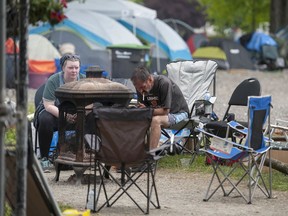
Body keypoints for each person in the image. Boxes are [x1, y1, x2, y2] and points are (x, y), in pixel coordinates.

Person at [37, 53, 85, 160]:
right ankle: (44, 157)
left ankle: (88, 156)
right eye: (70, 67)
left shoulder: (84, 80)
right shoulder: (53, 80)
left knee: (96, 118)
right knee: (45, 120)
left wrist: (81, 114)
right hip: (56, 113)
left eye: (76, 67)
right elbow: (48, 105)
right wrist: (64, 116)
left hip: (79, 113)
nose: (74, 70)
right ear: (63, 68)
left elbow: (91, 103)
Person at [131, 65, 189, 149]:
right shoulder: (140, 87)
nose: (141, 91)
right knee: (135, 118)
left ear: (150, 79)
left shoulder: (163, 83)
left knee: (156, 121)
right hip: (158, 113)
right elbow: (143, 108)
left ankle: (151, 155)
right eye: (138, 88)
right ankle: (136, 151)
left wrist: (146, 110)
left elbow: (165, 112)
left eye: (143, 87)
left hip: (178, 113)